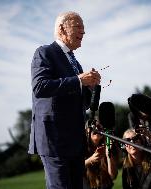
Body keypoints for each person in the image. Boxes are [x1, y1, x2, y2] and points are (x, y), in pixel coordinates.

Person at [28, 11, 101, 189]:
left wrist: (92, 87)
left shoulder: (76, 63)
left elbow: (84, 105)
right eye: (78, 27)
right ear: (62, 28)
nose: (83, 32)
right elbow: (40, 87)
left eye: (84, 29)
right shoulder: (45, 52)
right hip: (54, 139)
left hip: (75, 141)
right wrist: (78, 80)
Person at [83, 120, 118, 189]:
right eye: (92, 126)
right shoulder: (81, 148)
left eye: (99, 127)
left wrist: (108, 155)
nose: (96, 128)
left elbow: (113, 176)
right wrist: (90, 160)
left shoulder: (107, 146)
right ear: (86, 131)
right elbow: (74, 168)